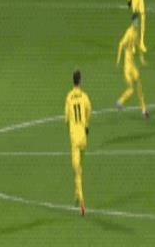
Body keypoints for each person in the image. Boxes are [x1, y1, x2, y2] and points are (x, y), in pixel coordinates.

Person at [64, 69, 92, 216]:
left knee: (77, 170)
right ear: (80, 80)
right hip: (83, 137)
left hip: (74, 137)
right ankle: (76, 192)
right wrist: (86, 125)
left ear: (72, 80)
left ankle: (81, 200)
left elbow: (66, 117)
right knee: (81, 166)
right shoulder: (84, 96)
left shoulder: (69, 97)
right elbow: (89, 110)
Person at [116, 13, 149, 119]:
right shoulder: (129, 33)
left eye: (138, 21)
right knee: (131, 89)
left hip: (132, 65)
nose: (137, 23)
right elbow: (121, 44)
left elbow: (138, 44)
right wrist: (118, 60)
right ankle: (120, 101)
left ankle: (144, 110)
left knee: (139, 86)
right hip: (127, 67)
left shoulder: (136, 32)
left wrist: (141, 58)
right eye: (136, 21)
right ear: (132, 22)